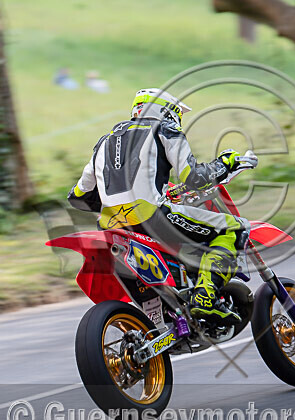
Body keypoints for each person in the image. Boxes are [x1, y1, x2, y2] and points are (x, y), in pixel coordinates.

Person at [67, 89, 251, 323]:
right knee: (234, 228)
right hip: (152, 218)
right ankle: (205, 296)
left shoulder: (104, 141)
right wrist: (224, 163)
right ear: (166, 111)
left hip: (110, 226)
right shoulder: (165, 130)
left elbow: (78, 196)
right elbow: (193, 177)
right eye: (177, 114)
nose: (178, 119)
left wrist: (118, 201)